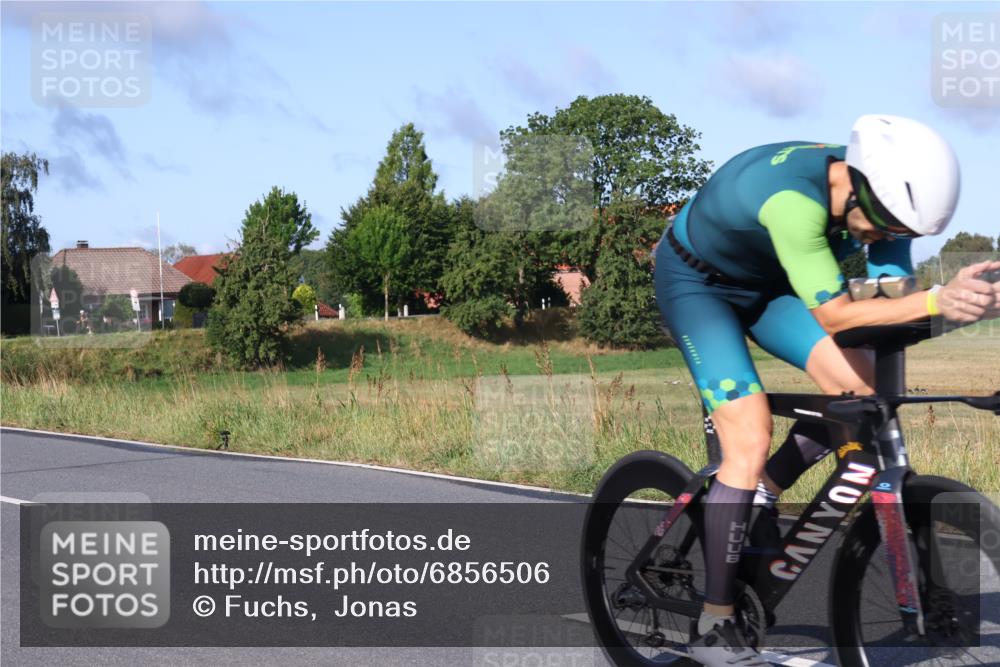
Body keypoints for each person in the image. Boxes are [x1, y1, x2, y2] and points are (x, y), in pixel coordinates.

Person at [652, 114, 1000, 666]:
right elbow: (839, 318)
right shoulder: (794, 204)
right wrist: (938, 301)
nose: (889, 241)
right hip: (698, 285)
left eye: (902, 234)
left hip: (771, 287)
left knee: (861, 390)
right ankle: (713, 626)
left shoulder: (881, 202)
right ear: (858, 185)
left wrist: (969, 309)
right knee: (748, 437)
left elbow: (890, 308)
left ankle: (765, 486)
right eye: (886, 226)